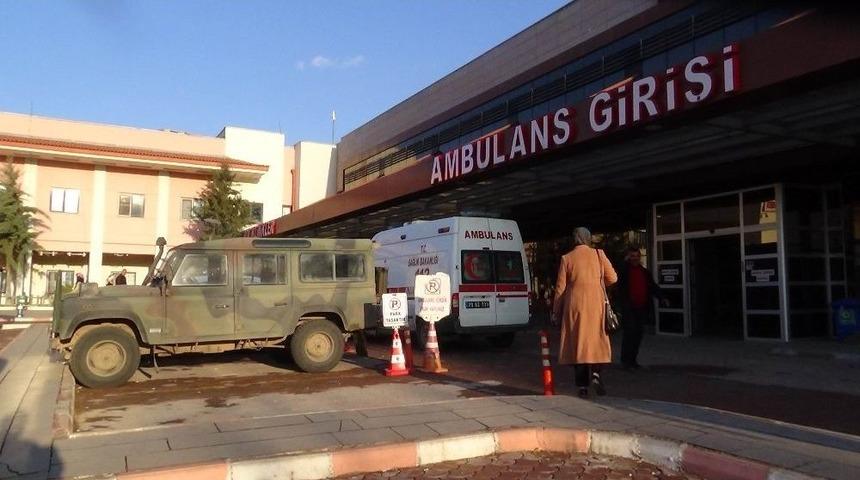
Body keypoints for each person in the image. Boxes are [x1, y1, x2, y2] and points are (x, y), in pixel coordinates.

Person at [552, 227, 618, 398]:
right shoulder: (599, 254)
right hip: (596, 304)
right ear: (588, 238)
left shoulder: (567, 258)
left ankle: (582, 387)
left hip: (575, 306)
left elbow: (560, 288)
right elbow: (613, 278)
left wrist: (555, 311)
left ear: (575, 239)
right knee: (597, 341)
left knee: (579, 344)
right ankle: (596, 373)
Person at [615, 247, 666, 370]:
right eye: (632, 256)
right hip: (629, 308)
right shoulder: (625, 271)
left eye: (637, 256)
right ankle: (625, 361)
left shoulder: (644, 272)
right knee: (629, 334)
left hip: (641, 307)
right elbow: (618, 277)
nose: (635, 258)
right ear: (629, 257)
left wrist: (661, 297)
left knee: (638, 334)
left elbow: (652, 286)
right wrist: (625, 261)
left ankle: (633, 360)